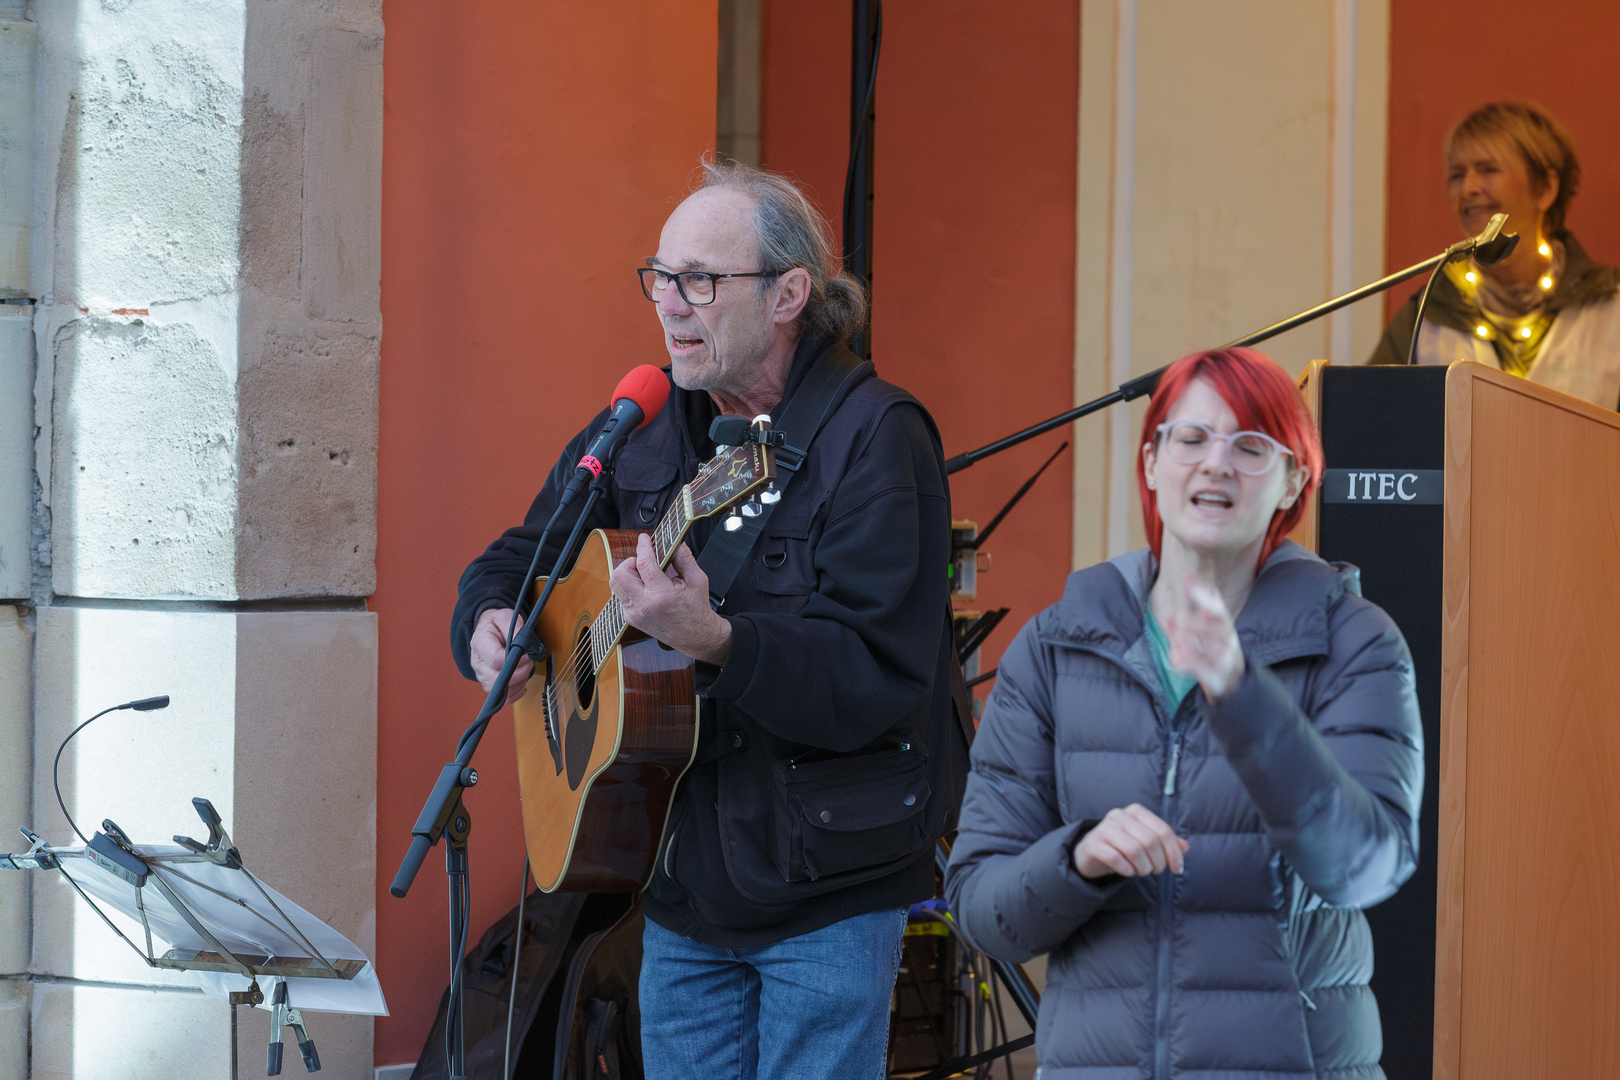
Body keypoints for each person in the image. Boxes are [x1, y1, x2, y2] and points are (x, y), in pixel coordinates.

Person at [451, 160, 963, 1080]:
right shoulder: (643, 421)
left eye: (699, 281)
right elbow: (519, 555)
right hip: (679, 881)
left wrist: (719, 641)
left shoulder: (876, 437)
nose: (668, 304)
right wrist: (488, 619)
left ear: (788, 295)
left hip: (827, 888)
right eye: (659, 276)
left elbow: (877, 677)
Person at [944, 348, 1424, 1079]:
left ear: (1295, 478)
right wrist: (1078, 857)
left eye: (1251, 446)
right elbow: (983, 910)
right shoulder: (1055, 646)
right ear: (1150, 463)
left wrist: (1243, 695)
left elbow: (1365, 869)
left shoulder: (1356, 641)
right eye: (1191, 438)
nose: (1216, 463)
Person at [1369, 101, 1620, 411]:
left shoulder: (1611, 307)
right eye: (1457, 175)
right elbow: (1372, 425)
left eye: (1489, 169)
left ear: (1545, 189)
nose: (1468, 188)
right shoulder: (1427, 316)